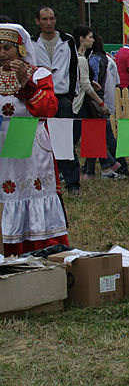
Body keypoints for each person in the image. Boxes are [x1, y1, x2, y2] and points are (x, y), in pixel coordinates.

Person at [0, 24, 69, 255]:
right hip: (2, 143)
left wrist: (26, 84)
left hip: (29, 142)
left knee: (29, 189)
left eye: (7, 48)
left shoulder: (40, 74)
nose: (2, 53)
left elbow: (48, 108)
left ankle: (38, 243)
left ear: (20, 49)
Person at [30, 7, 80, 194]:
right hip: (40, 98)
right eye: (44, 19)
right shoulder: (32, 42)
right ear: (38, 21)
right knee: (40, 140)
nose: (48, 22)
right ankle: (42, 179)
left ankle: (72, 182)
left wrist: (71, 94)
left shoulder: (67, 41)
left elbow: (74, 67)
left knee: (64, 140)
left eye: (51, 18)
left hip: (61, 96)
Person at [71, 26, 119, 180]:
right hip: (80, 105)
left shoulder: (76, 58)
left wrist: (91, 82)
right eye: (90, 37)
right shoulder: (82, 60)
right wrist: (100, 103)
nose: (92, 40)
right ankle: (107, 164)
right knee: (80, 138)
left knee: (90, 136)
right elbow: (84, 84)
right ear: (81, 39)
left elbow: (81, 79)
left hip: (81, 103)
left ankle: (102, 166)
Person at [83, 33, 129, 179]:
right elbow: (116, 82)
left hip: (97, 101)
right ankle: (91, 169)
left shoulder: (94, 59)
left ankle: (114, 164)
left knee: (101, 136)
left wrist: (99, 101)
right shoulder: (108, 59)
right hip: (106, 100)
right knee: (96, 135)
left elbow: (93, 82)